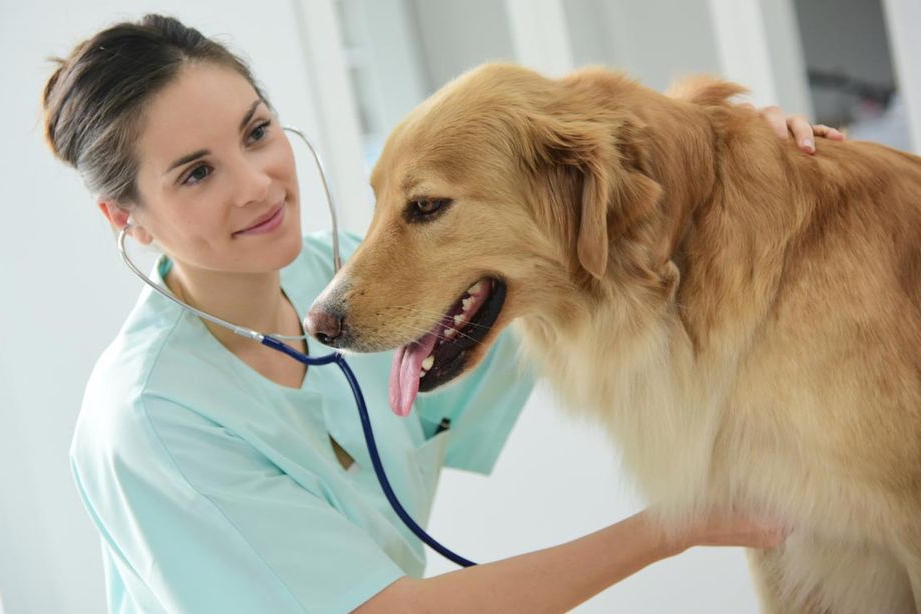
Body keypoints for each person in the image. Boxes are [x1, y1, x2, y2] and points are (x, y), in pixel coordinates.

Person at [44, 14, 842, 613]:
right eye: (195, 173)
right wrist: (671, 527)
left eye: (256, 132)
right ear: (128, 219)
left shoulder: (344, 277)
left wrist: (732, 150)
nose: (255, 183)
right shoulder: (151, 421)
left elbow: (565, 249)